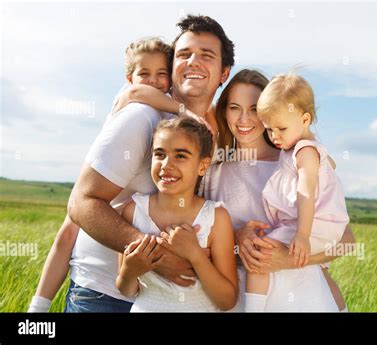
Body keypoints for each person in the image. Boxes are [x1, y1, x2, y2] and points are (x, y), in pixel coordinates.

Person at [29, 15, 234, 312]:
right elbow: (80, 204)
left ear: (224, 72)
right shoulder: (141, 118)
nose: (193, 62)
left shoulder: (212, 132)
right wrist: (159, 256)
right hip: (104, 295)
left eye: (206, 55)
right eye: (184, 54)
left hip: (167, 302)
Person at [28, 36, 177, 312]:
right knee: (71, 225)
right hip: (100, 292)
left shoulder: (165, 120)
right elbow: (135, 94)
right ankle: (37, 309)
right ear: (129, 78)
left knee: (70, 225)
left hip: (137, 293)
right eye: (144, 74)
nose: (154, 81)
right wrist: (185, 110)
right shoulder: (136, 111)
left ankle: (38, 307)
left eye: (162, 74)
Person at [201, 69, 355, 312]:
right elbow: (201, 239)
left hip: (305, 297)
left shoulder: (296, 161)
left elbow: (347, 240)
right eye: (234, 107)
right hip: (244, 301)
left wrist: (289, 259)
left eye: (254, 109)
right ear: (224, 111)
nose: (244, 119)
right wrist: (237, 238)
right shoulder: (214, 172)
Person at [243, 72, 350, 311]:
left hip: (313, 225)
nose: (274, 136)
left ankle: (252, 308)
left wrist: (302, 235)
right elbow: (330, 168)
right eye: (269, 129)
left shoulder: (304, 152)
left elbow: (306, 192)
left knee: (259, 256)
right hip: (319, 225)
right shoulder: (305, 150)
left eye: (281, 128)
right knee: (321, 272)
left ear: (305, 119)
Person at [116, 117, 238, 311]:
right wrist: (129, 273)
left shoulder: (215, 218)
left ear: (202, 166)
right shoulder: (133, 211)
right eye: (160, 154)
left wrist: (195, 255)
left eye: (180, 156)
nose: (166, 164)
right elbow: (127, 290)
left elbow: (227, 301)